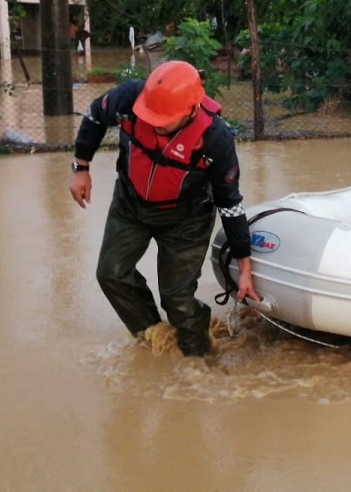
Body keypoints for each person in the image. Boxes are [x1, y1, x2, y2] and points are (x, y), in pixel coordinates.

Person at [68, 60, 258, 357]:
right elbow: (95, 114)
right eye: (150, 115)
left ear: (191, 110)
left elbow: (230, 203)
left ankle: (201, 356)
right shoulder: (131, 98)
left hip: (187, 219)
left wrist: (244, 264)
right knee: (111, 273)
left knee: (178, 299)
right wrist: (81, 167)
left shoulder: (216, 139)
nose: (154, 123)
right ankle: (154, 334)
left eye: (163, 119)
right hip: (130, 203)